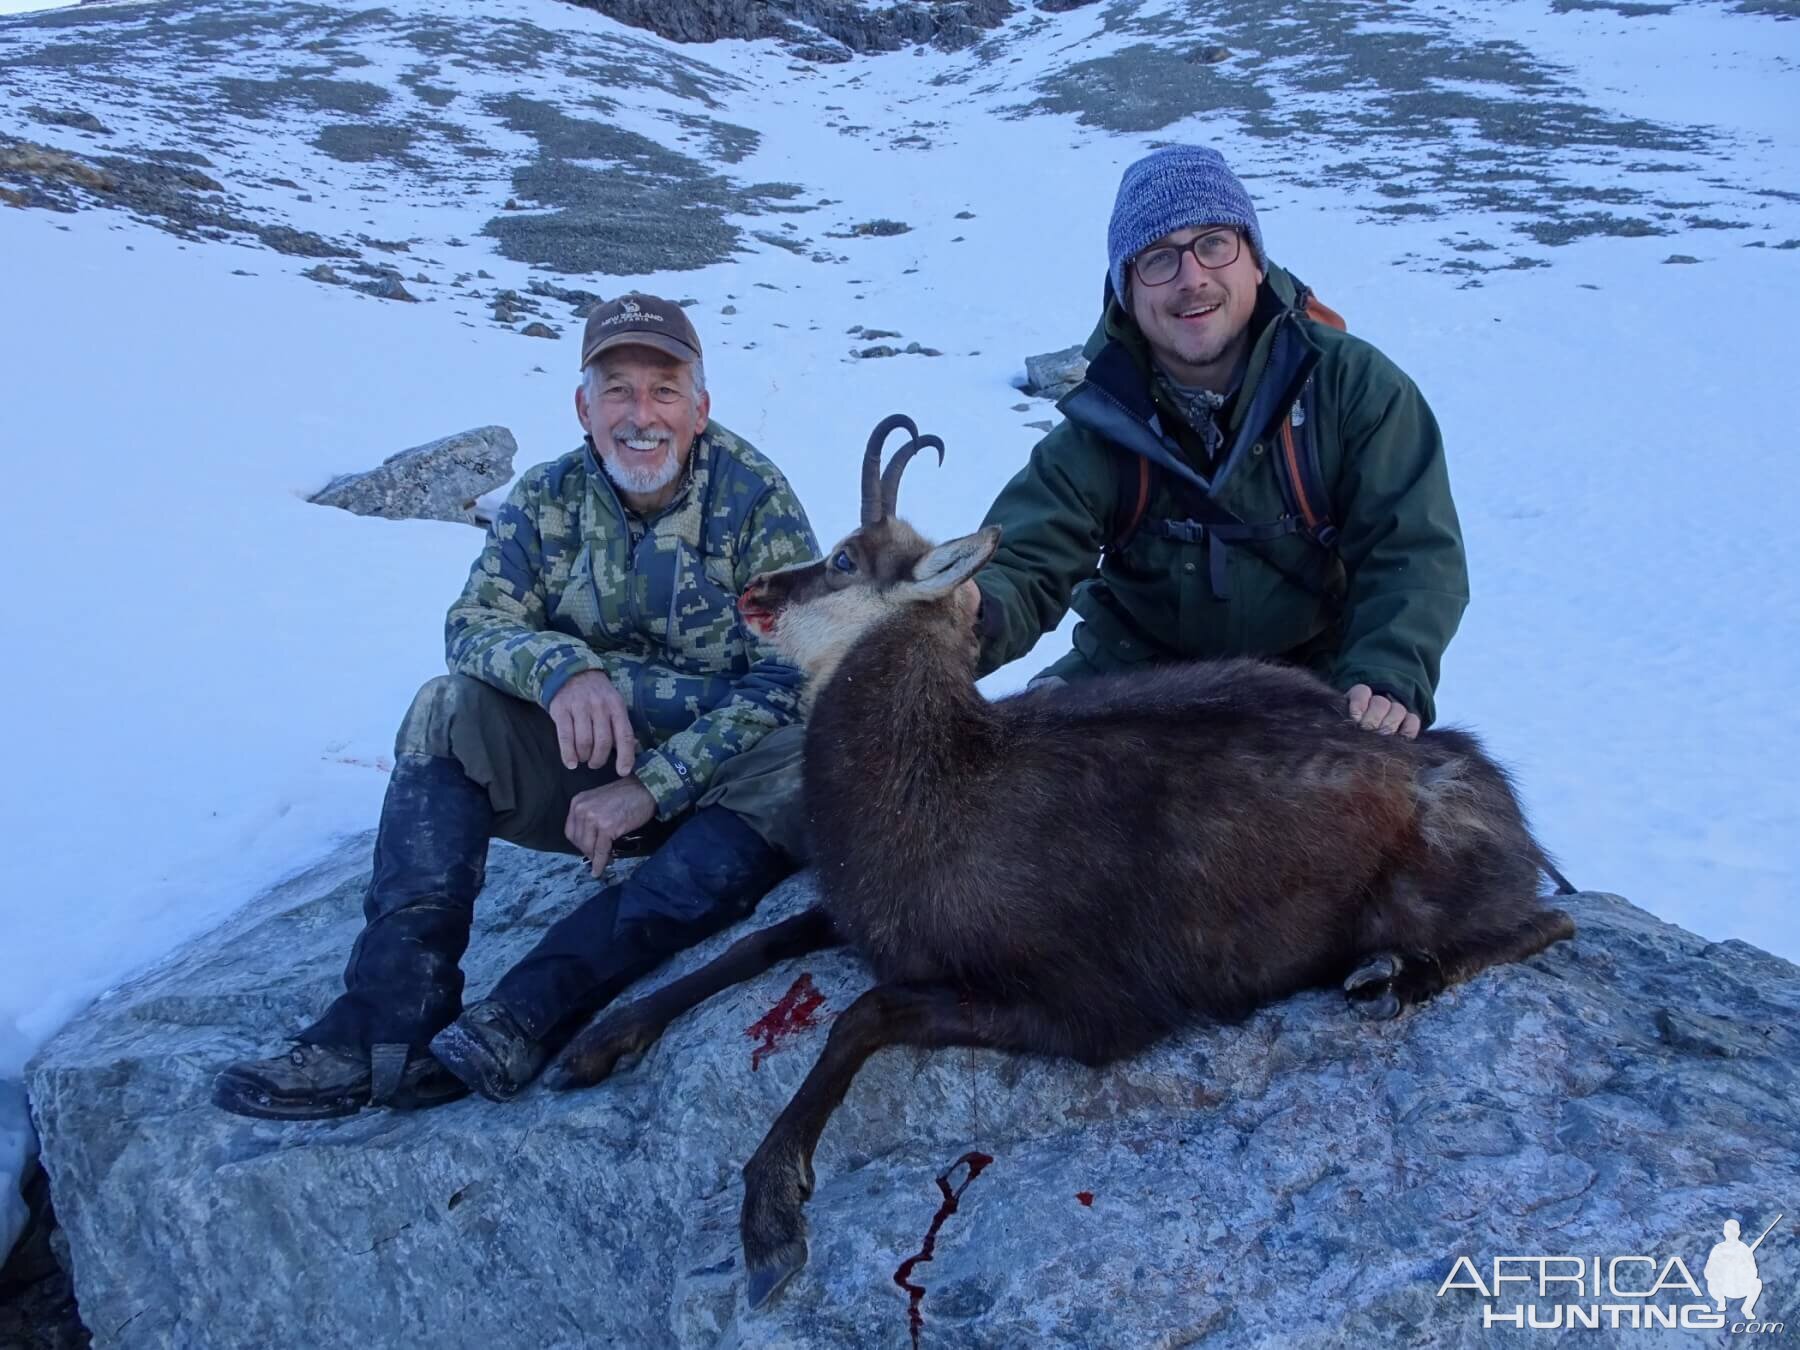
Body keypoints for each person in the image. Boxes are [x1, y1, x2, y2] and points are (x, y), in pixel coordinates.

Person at [214, 293, 819, 1118]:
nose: (641, 416)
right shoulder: (548, 497)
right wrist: (564, 671)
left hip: (720, 792)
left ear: (701, 407)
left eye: (665, 390)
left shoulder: (756, 500)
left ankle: (532, 1007)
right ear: (583, 406)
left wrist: (654, 785)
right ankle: (388, 1019)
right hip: (582, 775)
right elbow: (471, 625)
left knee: (814, 754)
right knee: (446, 710)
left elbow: (790, 679)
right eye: (617, 390)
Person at [968, 146, 1468, 736]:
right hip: (1135, 673)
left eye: (1214, 243)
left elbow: (1411, 554)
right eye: (1158, 258)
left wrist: (1387, 673)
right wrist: (960, 616)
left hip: (1315, 680)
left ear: (1254, 261)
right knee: (1012, 783)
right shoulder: (1100, 421)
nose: (1192, 277)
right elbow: (1025, 559)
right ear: (1127, 290)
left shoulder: (1353, 388)